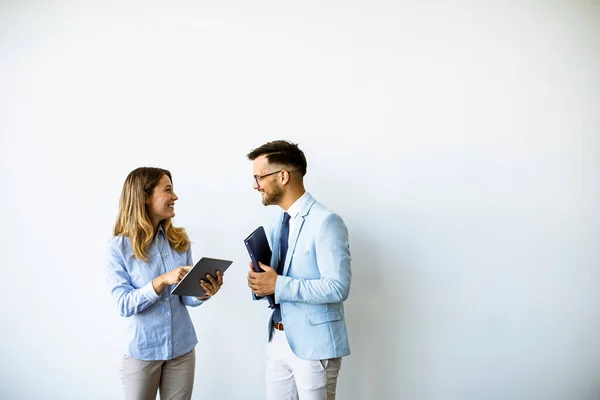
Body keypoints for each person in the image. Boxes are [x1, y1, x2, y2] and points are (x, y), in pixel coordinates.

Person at [246, 141, 351, 400]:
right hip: (277, 338)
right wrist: (260, 283)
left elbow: (338, 286)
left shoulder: (327, 222)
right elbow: (277, 279)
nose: (255, 185)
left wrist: (277, 284)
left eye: (259, 177)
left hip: (314, 347)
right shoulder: (278, 221)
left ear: (282, 176)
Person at [107, 167, 224, 400]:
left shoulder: (179, 241)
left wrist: (204, 291)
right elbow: (123, 305)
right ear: (144, 197)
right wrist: (160, 281)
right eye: (168, 190)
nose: (175, 197)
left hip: (182, 349)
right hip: (142, 354)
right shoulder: (118, 248)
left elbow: (185, 298)